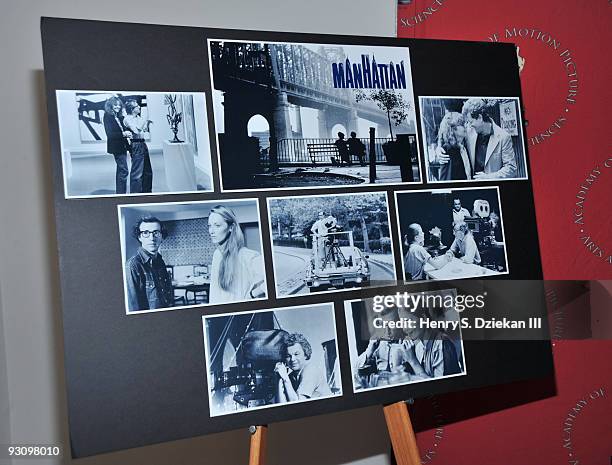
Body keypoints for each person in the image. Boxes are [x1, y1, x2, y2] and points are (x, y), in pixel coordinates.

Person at [435, 99, 517, 179]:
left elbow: (511, 168)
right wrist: (439, 148)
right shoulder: (469, 131)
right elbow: (448, 130)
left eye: (470, 121)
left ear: (480, 118)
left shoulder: (504, 137)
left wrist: (489, 177)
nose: (469, 125)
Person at [208, 205, 266, 304]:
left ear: (231, 227)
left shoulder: (246, 255)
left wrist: (251, 295)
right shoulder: (217, 254)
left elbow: (272, 280)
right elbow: (214, 290)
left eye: (217, 225)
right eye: (209, 225)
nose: (211, 231)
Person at [397, 306, 462, 379]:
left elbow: (442, 386)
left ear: (424, 318)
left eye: (407, 321)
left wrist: (413, 361)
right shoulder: (417, 345)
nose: (404, 329)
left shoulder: (443, 344)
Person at [126, 216, 174, 312]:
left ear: (162, 236)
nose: (152, 238)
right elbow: (134, 309)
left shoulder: (160, 261)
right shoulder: (133, 266)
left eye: (156, 233)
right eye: (146, 233)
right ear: (139, 237)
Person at [275, 333, 331, 402]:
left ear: (305, 354)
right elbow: (282, 404)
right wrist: (280, 378)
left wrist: (285, 379)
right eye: (288, 356)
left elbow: (297, 404)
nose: (292, 359)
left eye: (296, 354)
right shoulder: (291, 377)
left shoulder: (311, 370)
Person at [102, 96, 132, 194]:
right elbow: (110, 134)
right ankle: (121, 194)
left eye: (119, 105)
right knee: (124, 170)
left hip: (122, 146)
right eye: (115, 105)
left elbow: (124, 126)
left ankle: (120, 193)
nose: (118, 107)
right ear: (110, 106)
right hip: (116, 147)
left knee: (120, 169)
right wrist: (123, 134)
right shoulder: (107, 116)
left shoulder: (118, 116)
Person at [123, 100, 153, 193]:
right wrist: (145, 120)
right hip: (136, 144)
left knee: (147, 171)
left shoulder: (138, 118)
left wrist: (145, 123)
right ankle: (135, 194)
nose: (139, 107)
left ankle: (147, 192)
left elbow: (143, 130)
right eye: (137, 106)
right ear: (132, 109)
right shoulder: (127, 119)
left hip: (142, 143)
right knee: (137, 172)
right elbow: (136, 130)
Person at [436, 112, 471, 181]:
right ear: (452, 129)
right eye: (461, 124)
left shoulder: (463, 146)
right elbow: (445, 179)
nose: (466, 126)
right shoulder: (447, 150)